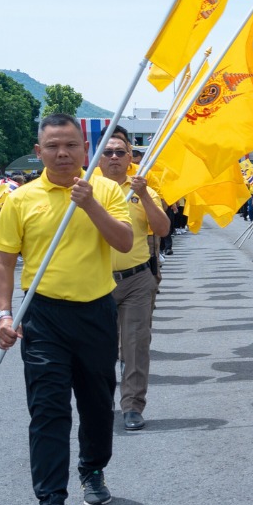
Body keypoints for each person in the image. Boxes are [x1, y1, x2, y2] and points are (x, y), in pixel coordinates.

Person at [0, 114, 136, 505]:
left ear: (85, 150)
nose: (62, 153)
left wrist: (89, 204)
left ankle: (93, 469)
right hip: (42, 316)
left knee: (96, 404)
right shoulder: (21, 199)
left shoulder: (105, 190)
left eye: (71, 145)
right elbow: (3, 261)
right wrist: (3, 314)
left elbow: (124, 241)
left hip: (95, 311)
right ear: (39, 152)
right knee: (48, 408)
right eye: (53, 146)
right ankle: (51, 501)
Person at [97, 131, 171, 431]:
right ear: (98, 158)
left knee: (135, 345)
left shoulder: (143, 190)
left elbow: (163, 229)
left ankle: (132, 406)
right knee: (98, 348)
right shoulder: (86, 189)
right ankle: (100, 404)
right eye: (108, 152)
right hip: (95, 281)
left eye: (120, 152)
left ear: (130, 158)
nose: (114, 157)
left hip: (136, 279)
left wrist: (145, 195)